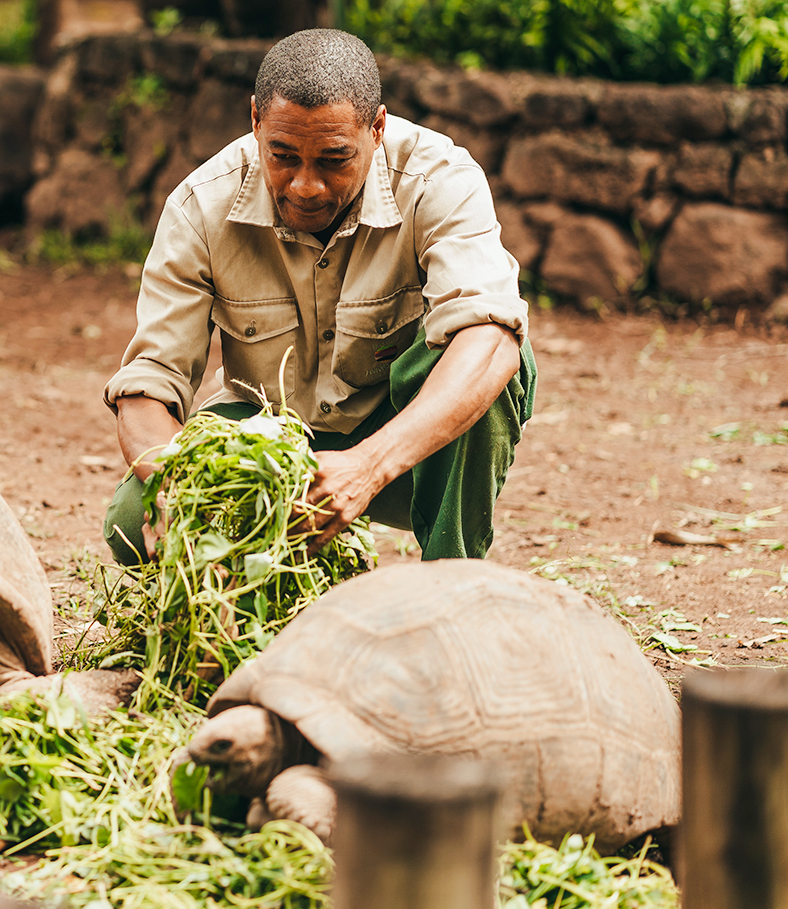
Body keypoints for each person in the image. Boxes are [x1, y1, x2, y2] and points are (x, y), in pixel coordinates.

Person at [103, 28, 536, 564]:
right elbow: (150, 380)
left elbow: (490, 337)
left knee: (492, 348)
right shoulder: (200, 205)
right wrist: (173, 481)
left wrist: (369, 465)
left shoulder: (439, 179)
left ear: (376, 128)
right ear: (255, 121)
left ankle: (450, 582)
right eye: (282, 155)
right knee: (131, 524)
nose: (305, 186)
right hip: (266, 434)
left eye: (334, 159)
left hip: (404, 445)